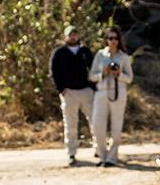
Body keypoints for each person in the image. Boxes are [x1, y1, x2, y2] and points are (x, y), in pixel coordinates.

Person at [49, 24, 95, 167]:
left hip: (86, 91)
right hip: (69, 93)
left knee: (95, 121)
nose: (73, 37)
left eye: (75, 34)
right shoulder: (59, 52)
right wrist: (61, 89)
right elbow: (54, 72)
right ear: (66, 36)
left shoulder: (85, 51)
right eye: (70, 34)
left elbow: (94, 68)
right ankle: (71, 153)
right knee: (71, 124)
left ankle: (99, 149)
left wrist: (93, 87)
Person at [89, 25, 133, 167]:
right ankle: (102, 155)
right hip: (101, 92)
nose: (113, 41)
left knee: (116, 126)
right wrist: (103, 73)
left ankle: (112, 158)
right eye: (110, 38)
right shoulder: (100, 55)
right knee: (97, 125)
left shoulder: (124, 57)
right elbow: (91, 76)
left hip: (118, 92)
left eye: (115, 38)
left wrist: (119, 74)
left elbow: (130, 78)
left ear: (119, 40)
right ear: (106, 40)